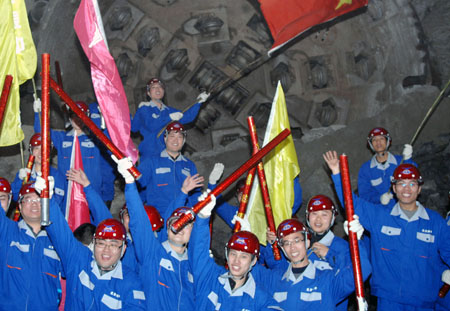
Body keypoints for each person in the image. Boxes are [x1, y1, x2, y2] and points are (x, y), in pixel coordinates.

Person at [324, 151, 450, 310]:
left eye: (412, 184)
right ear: (394, 188)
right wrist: (337, 173)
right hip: (389, 300)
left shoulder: (435, 222)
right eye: (401, 183)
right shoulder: (380, 216)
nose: (406, 189)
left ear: (419, 189)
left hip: (423, 300)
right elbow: (352, 204)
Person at [41, 174, 146, 310]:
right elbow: (60, 232)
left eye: (114, 245)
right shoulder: (79, 261)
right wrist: (47, 200)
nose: (106, 250)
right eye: (101, 243)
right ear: (93, 244)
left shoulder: (131, 283)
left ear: (123, 249)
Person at [117, 156, 202, 311]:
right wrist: (130, 184)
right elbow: (139, 223)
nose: (180, 229)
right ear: (167, 229)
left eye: (186, 225)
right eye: (175, 224)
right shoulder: (152, 254)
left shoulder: (195, 265)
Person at [251, 217, 370, 310]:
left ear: (307, 242)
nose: (292, 248)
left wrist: (357, 241)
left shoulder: (327, 281)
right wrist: (245, 237)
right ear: (282, 249)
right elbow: (242, 267)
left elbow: (362, 270)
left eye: (297, 240)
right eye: (286, 243)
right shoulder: (274, 278)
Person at [189, 191, 281, 310]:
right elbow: (198, 251)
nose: (236, 261)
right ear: (227, 255)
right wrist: (202, 218)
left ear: (253, 262)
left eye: (244, 256)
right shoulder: (210, 278)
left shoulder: (259, 299)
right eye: (233, 254)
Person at [263, 195, 351, 310]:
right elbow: (281, 269)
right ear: (307, 217)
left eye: (324, 214)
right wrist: (272, 246)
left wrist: (330, 255)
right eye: (314, 214)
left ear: (333, 217)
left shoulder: (342, 247)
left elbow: (351, 275)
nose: (318, 219)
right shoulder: (298, 244)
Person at [34, 100, 116, 204]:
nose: (78, 119)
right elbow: (43, 134)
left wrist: (105, 122)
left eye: (82, 116)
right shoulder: (63, 139)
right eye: (75, 116)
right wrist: (38, 114)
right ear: (69, 118)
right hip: (68, 196)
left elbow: (110, 144)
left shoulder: (95, 139)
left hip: (91, 193)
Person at [0, 181, 64, 310]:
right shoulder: (7, 231)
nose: (34, 204)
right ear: (19, 205)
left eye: (39, 200)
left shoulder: (58, 240)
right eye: (28, 200)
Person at [137, 121, 203, 215]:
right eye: (172, 136)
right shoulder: (152, 162)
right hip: (159, 216)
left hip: (182, 217)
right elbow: (138, 183)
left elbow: (195, 194)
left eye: (180, 137)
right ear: (165, 138)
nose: (175, 140)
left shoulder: (189, 165)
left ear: (184, 141)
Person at [131, 77, 209, 158]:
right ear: (148, 93)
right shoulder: (144, 108)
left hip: (167, 154)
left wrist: (198, 102)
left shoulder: (169, 111)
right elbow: (151, 125)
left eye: (160, 87)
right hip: (150, 152)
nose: (158, 89)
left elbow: (187, 117)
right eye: (153, 87)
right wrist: (169, 118)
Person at [358, 127, 416, 207]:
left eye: (381, 138)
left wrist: (408, 160)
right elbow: (364, 195)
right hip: (381, 213)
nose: (378, 142)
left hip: (403, 209)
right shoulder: (366, 169)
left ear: (388, 141)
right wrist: (379, 198)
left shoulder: (400, 162)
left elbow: (414, 180)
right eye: (374, 139)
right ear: (371, 144)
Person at [11, 133, 67, 208]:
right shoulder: (24, 174)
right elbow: (15, 198)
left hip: (49, 218)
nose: (41, 152)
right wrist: (19, 181)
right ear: (31, 151)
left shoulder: (57, 176)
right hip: (26, 217)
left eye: (44, 149)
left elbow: (58, 203)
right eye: (37, 148)